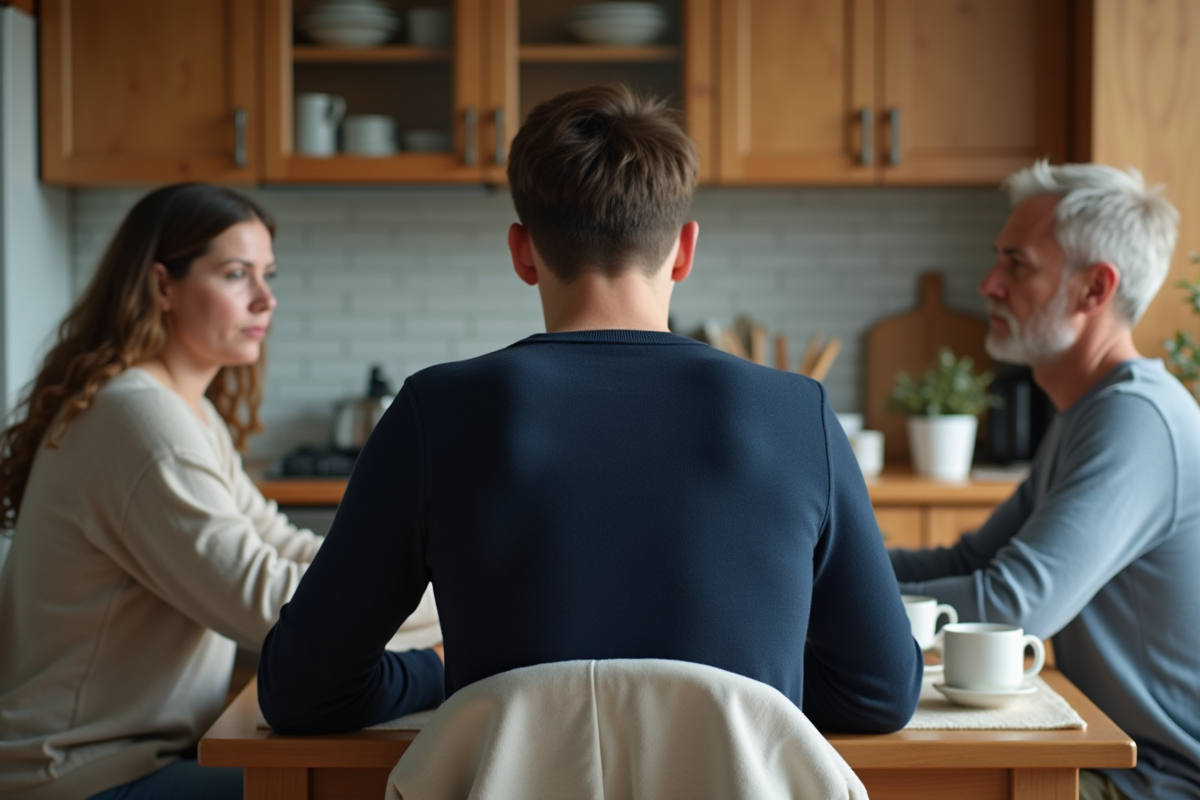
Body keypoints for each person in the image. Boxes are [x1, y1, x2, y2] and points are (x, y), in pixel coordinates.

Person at [258, 83, 922, 737]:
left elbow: (301, 692)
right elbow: (881, 693)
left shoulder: (437, 411)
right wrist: (750, 693)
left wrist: (451, 681)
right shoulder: (795, 412)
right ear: (685, 251)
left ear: (521, 251)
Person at [0, 183, 441, 800]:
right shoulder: (141, 423)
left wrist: (421, 586)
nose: (266, 299)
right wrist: (449, 603)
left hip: (133, 757)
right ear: (162, 287)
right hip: (77, 775)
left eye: (268, 274)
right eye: (237, 275)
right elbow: (277, 610)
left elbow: (282, 548)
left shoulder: (184, 412)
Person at [889, 161, 1200, 800]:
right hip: (1117, 763)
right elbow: (973, 559)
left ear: (1094, 289)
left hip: (1150, 783)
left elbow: (1011, 608)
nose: (989, 284)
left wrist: (823, 600)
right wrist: (819, 566)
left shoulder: (1133, 419)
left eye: (1017, 264)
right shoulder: (1089, 411)